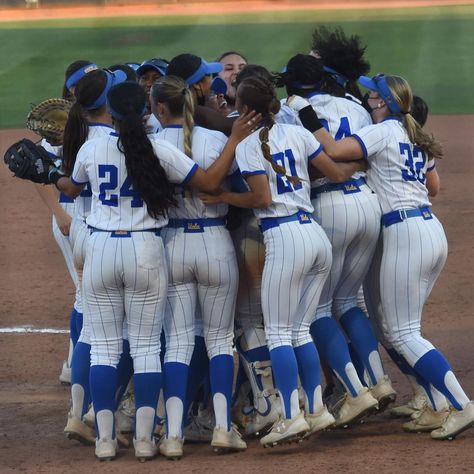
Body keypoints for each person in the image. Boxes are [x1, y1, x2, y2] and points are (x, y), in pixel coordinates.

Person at [51, 81, 258, 461]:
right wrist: (234, 140)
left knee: (104, 349)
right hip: (147, 249)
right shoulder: (159, 147)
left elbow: (72, 187)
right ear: (145, 113)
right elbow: (210, 182)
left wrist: (46, 172)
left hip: (101, 250)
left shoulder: (92, 147)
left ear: (109, 114)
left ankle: (105, 440)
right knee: (148, 349)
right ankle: (148, 440)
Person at [289, 73, 474, 441]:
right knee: (400, 329)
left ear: (382, 103)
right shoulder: (411, 132)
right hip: (428, 229)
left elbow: (335, 151)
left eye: (371, 94)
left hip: (405, 232)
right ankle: (435, 403)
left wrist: (307, 116)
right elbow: (433, 186)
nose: (366, 98)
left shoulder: (385, 130)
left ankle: (460, 403)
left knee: (402, 333)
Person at [200, 76, 366, 447]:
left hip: (285, 237)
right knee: (300, 331)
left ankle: (291, 417)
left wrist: (224, 196)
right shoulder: (299, 134)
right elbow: (338, 172)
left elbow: (260, 198)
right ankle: (317, 409)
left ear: (243, 110)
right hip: (315, 237)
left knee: (277, 333)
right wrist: (370, 159)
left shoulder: (246, 147)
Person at [278, 54, 394, 425]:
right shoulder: (353, 106)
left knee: (317, 309)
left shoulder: (285, 112)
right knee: (348, 300)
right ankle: (379, 380)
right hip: (366, 204)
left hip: (327, 206)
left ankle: (354, 393)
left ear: (290, 84)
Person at [150, 75, 259, 458]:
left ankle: (174, 435)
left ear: (160, 109)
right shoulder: (216, 141)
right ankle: (223, 429)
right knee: (219, 341)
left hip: (171, 244)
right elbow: (244, 190)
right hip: (215, 242)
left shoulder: (151, 146)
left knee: (178, 343)